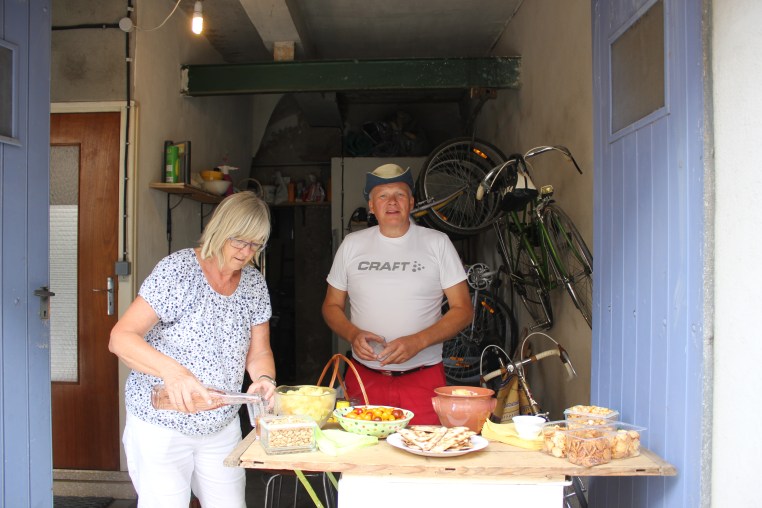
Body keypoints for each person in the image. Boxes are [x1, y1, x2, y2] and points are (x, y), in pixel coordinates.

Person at [109, 191, 276, 508]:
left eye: (255, 244)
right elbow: (121, 338)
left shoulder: (254, 284)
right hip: (162, 423)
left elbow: (258, 353)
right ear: (221, 230)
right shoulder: (178, 271)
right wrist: (174, 373)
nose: (245, 252)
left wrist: (264, 379)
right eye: (239, 241)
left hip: (220, 423)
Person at [322, 164, 473, 424]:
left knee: (425, 447)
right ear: (371, 206)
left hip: (423, 379)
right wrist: (352, 334)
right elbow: (331, 306)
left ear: (411, 202)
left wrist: (419, 341)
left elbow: (463, 309)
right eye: (383, 196)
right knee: (362, 449)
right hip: (364, 378)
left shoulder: (437, 243)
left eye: (400, 194)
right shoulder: (352, 245)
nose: (392, 202)